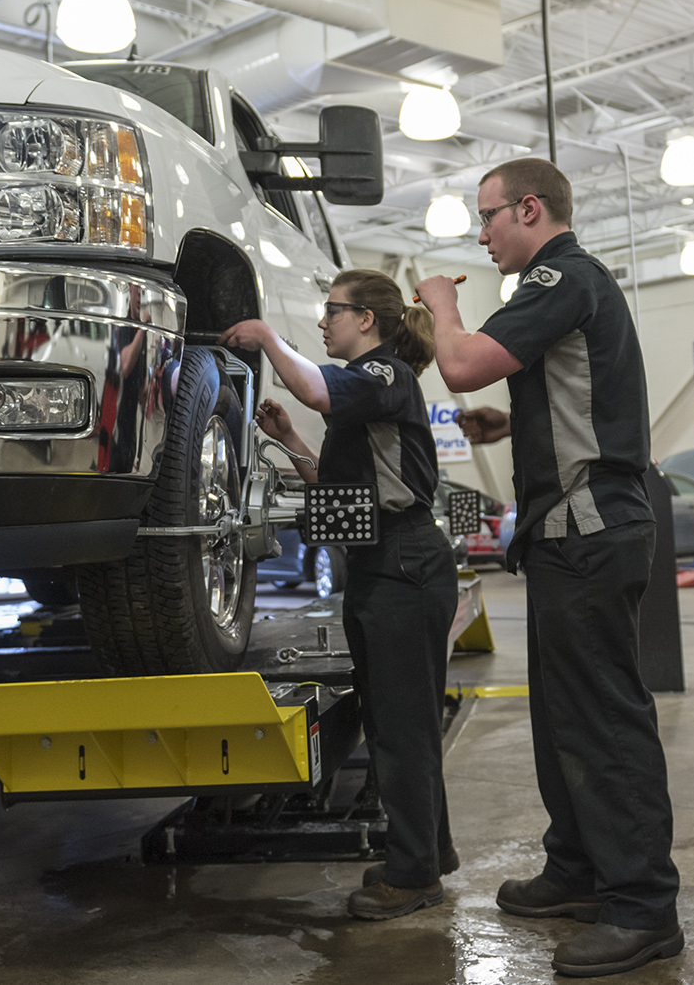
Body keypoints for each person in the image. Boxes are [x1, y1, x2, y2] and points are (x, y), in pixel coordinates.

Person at [416, 158, 683, 979]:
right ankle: (577, 868)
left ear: (529, 209)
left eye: (488, 218)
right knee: (564, 716)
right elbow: (571, 393)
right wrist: (513, 420)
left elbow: (458, 364)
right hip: (567, 535)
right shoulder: (568, 289)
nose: (484, 235)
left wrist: (440, 304)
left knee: (603, 718)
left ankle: (643, 907)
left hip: (589, 531)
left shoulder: (560, 276)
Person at [218, 269, 460, 920]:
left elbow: (313, 388)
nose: (323, 323)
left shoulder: (383, 376)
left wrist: (266, 335)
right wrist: (290, 442)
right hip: (379, 567)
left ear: (367, 321)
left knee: (403, 729)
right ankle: (426, 852)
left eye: (332, 311)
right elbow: (341, 484)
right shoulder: (363, 396)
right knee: (393, 722)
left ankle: (412, 876)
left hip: (404, 568)